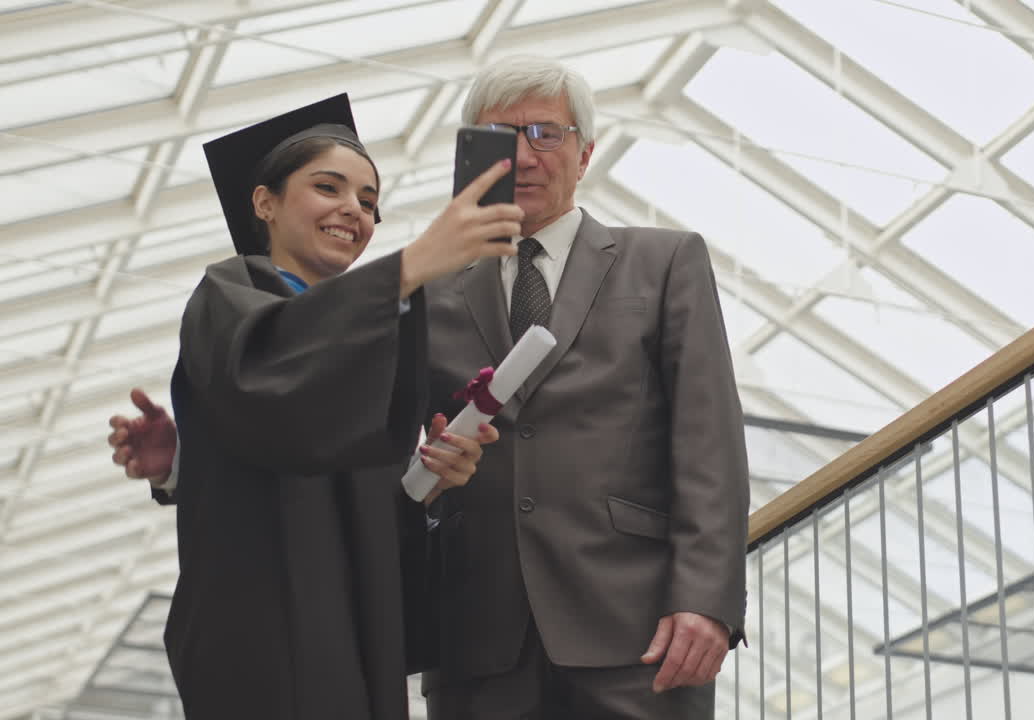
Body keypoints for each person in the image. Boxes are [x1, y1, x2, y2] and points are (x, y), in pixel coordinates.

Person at [109, 93, 521, 720]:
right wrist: (409, 267)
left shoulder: (378, 334)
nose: (352, 210)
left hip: (357, 639)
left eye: (368, 202)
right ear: (264, 202)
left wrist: (426, 484)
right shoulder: (231, 291)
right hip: (262, 637)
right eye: (328, 187)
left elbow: (356, 500)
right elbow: (274, 390)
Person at [416, 56, 749, 719]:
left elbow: (708, 445)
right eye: (500, 137)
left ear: (585, 153)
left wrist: (706, 601)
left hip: (638, 629)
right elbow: (360, 438)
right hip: (477, 641)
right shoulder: (431, 292)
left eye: (546, 133)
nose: (525, 155)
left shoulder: (663, 263)